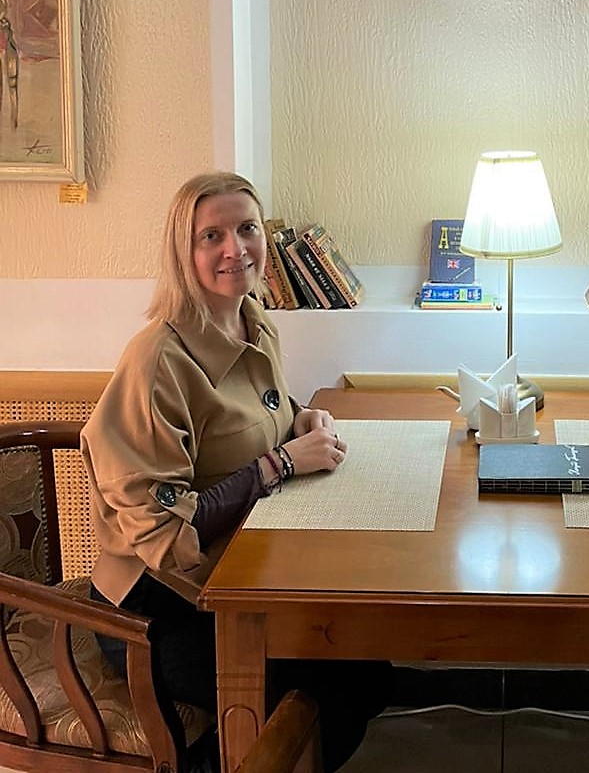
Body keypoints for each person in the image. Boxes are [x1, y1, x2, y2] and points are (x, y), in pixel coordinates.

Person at [81, 171, 392, 771]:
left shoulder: (252, 317)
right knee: (328, 702)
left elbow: (252, 418)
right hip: (153, 607)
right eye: (212, 236)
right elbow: (165, 538)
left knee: (368, 673)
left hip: (236, 575)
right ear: (183, 251)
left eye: (247, 228)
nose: (236, 249)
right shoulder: (156, 361)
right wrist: (281, 462)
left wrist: (300, 420)